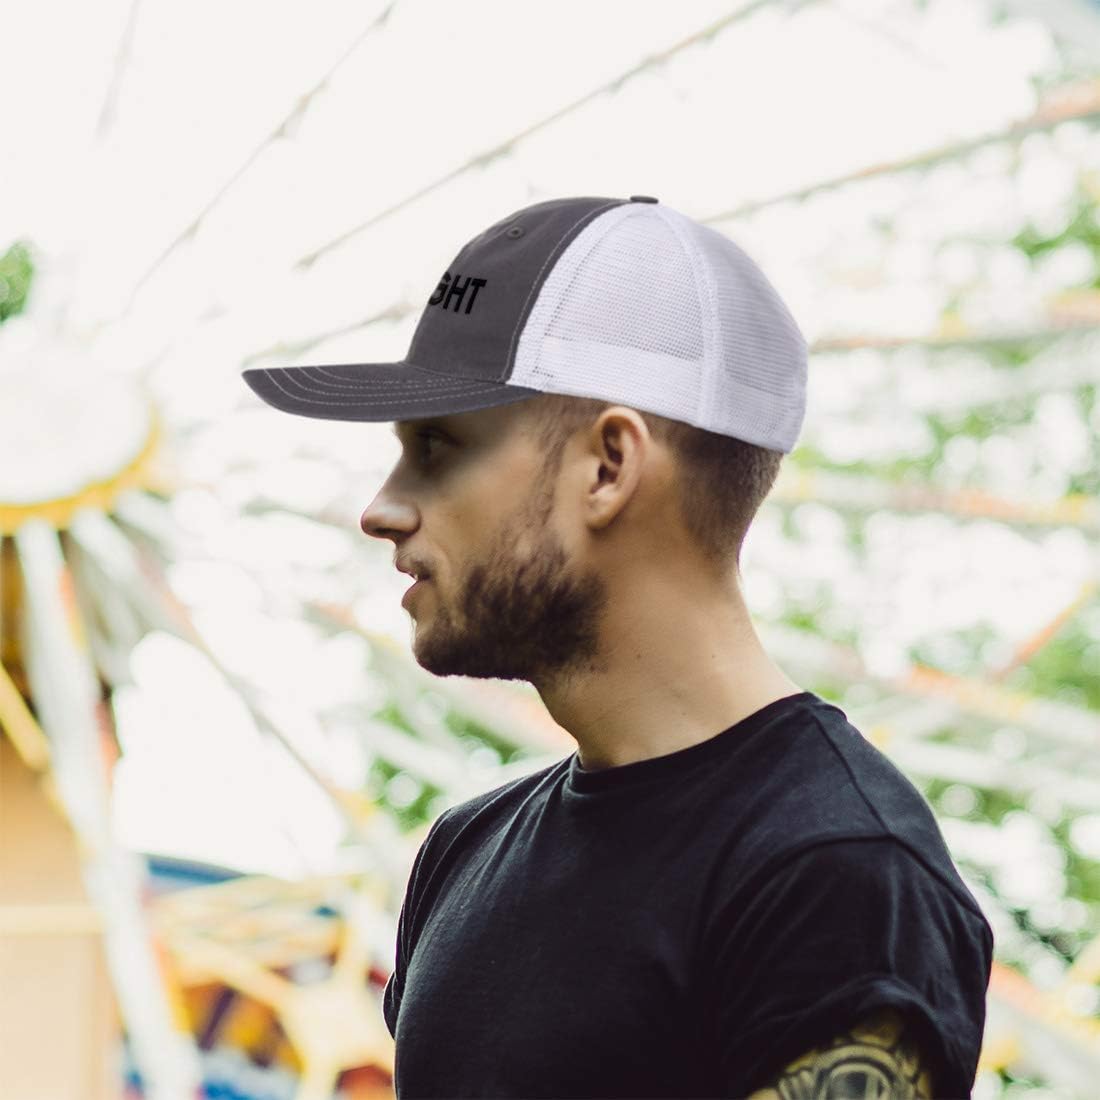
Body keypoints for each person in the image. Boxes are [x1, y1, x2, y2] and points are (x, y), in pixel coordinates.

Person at [243, 195, 994, 1098]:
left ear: (609, 465)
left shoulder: (835, 873)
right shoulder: (462, 853)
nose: (382, 509)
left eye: (437, 448)